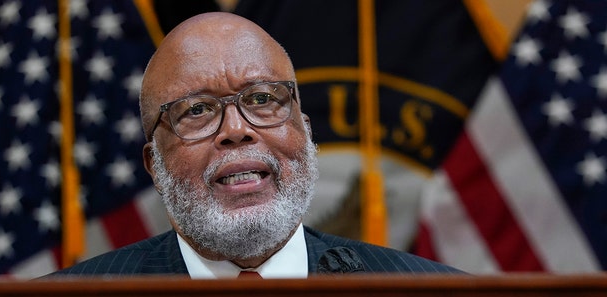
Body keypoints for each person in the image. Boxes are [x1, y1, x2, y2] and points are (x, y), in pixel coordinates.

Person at [52, 12, 460, 278]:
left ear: (305, 130)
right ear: (154, 166)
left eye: (262, 99)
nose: (236, 129)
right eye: (196, 110)